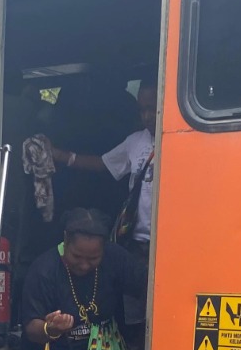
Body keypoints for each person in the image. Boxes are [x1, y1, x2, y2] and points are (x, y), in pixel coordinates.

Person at [45, 80, 157, 325]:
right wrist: (61, 156)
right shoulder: (135, 141)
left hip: (168, 247)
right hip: (136, 245)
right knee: (136, 319)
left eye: (153, 108)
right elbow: (104, 164)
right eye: (142, 110)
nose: (147, 116)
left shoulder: (183, 138)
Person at [17, 206, 143, 350]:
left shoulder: (116, 259)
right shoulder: (44, 270)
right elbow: (31, 328)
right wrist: (51, 329)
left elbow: (149, 287)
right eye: (76, 256)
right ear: (65, 240)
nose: (84, 265)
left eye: (93, 259)